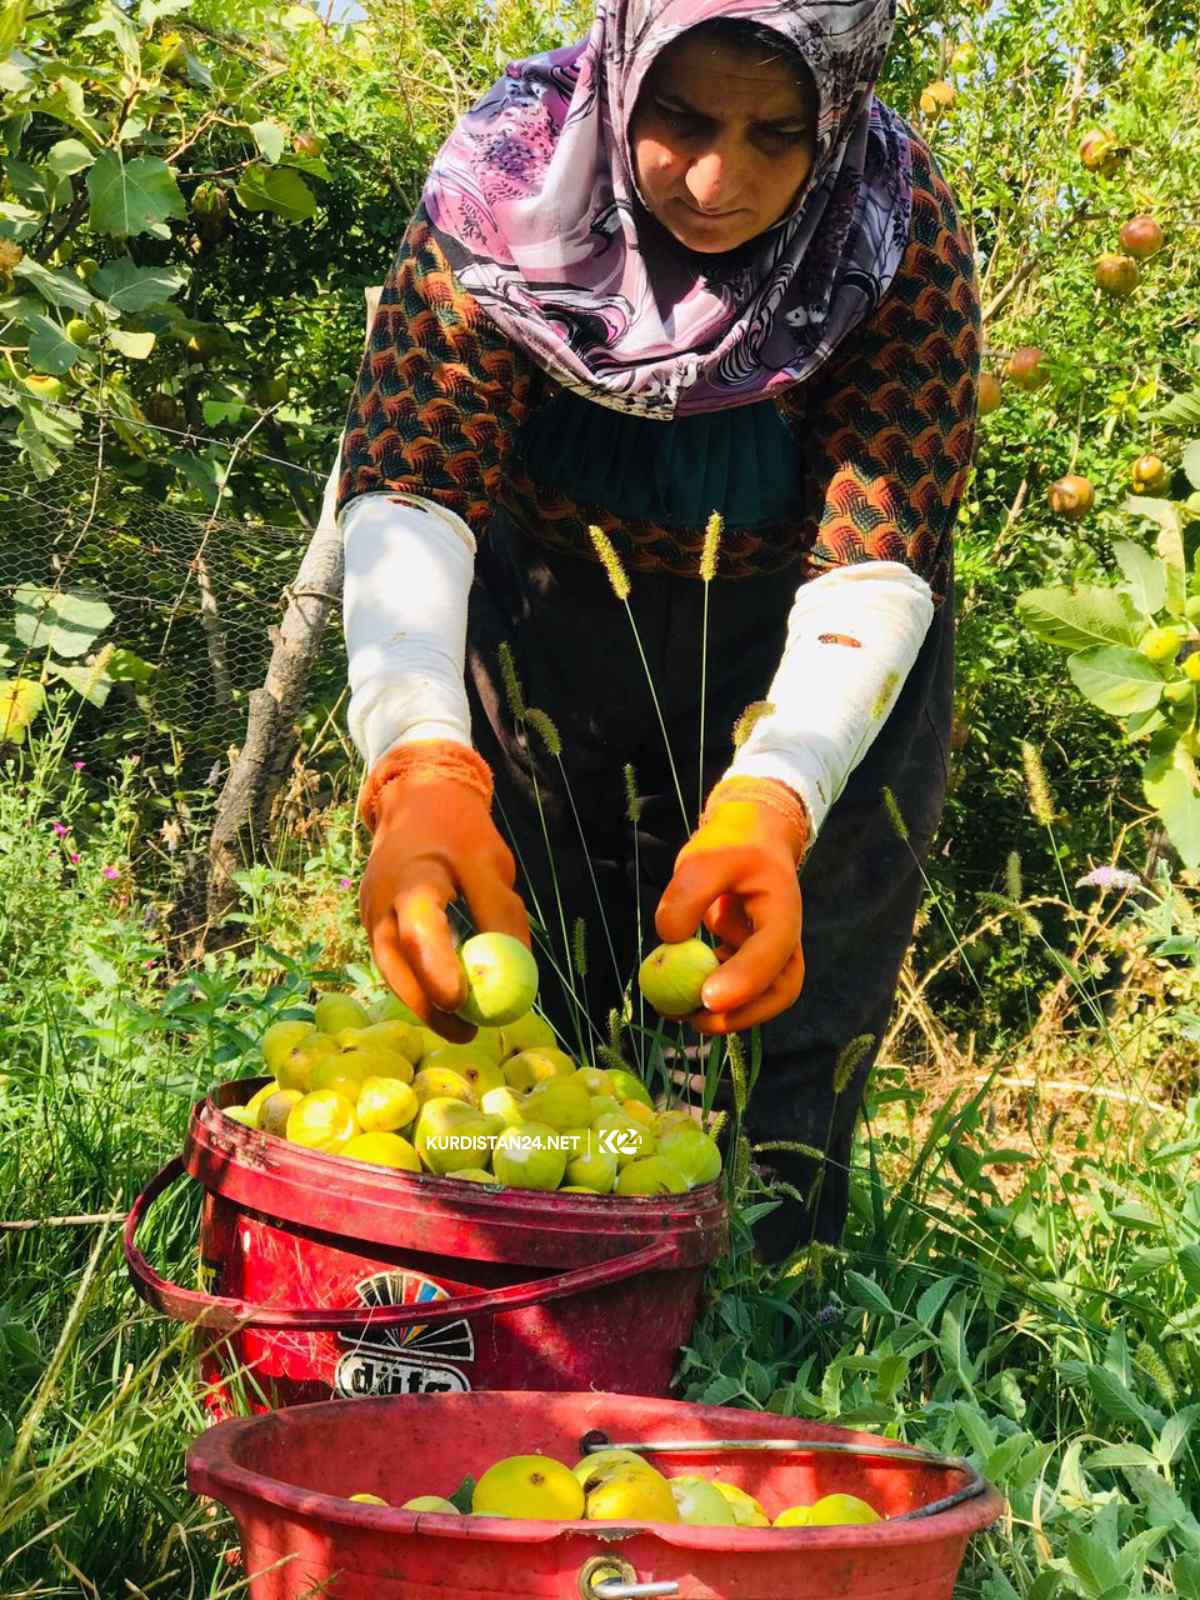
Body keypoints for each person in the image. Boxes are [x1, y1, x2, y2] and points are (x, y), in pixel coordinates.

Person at [336, 0, 980, 1260]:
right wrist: (419, 759)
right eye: (678, 120)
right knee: (532, 1008)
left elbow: (874, 553)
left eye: (776, 136)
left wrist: (778, 797)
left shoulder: (894, 229)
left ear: (837, 116)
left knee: (788, 1026)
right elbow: (414, 481)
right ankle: (525, 1298)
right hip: (547, 633)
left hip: (816, 654)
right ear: (624, 75)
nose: (715, 181)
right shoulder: (504, 180)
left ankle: (771, 1316)